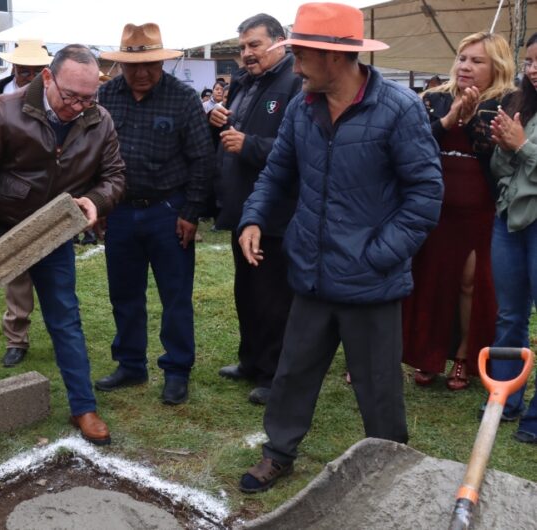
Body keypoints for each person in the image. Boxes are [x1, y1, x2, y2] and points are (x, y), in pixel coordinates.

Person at [236, 2, 443, 493]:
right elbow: (277, 171)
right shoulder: (301, 108)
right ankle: (279, 452)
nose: (296, 63)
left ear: (335, 57)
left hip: (372, 279)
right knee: (293, 373)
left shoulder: (399, 109)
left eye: (302, 53)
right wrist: (254, 217)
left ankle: (390, 462)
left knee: (378, 387)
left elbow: (426, 196)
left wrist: (377, 254)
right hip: (310, 270)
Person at [0, 44, 125, 464]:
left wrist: (95, 201)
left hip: (53, 230)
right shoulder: (2, 110)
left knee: (65, 319)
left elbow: (115, 175)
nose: (79, 106)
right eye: (71, 96)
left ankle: (83, 407)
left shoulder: (98, 120)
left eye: (89, 98)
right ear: (47, 78)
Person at [95, 23, 214, 405]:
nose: (142, 73)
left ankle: (176, 369)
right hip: (120, 213)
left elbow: (202, 159)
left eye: (150, 65)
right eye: (133, 66)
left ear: (162, 62)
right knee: (124, 293)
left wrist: (191, 212)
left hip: (169, 210)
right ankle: (130, 364)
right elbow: (93, 154)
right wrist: (97, 206)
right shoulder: (106, 95)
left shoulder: (182, 98)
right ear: (120, 66)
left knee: (175, 295)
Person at [403, 33, 516, 390]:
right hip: (433, 206)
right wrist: (451, 118)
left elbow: (501, 154)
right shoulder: (434, 97)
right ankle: (428, 355)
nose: (465, 66)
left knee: (470, 282)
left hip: (480, 209)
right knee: (431, 278)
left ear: (496, 66)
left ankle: (465, 356)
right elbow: (416, 143)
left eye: (476, 61)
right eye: (462, 58)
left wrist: (475, 118)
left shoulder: (510, 101)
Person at [209, 14, 302, 405]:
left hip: (276, 214)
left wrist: (248, 145)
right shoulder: (245, 82)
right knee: (246, 290)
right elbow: (233, 134)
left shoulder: (296, 82)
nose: (246, 54)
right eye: (243, 46)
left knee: (274, 296)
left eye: (254, 45)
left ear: (280, 42)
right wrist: (217, 121)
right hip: (242, 207)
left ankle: (274, 372)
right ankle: (250, 360)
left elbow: (297, 151)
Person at [0, 39, 54, 368]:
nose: (28, 76)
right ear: (13, 67)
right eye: (23, 70)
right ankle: (17, 338)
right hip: (7, 196)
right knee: (16, 271)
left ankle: (61, 332)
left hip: (48, 191)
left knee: (55, 273)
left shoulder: (55, 94)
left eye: (35, 70)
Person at [488, 31, 537, 444]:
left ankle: (535, 416)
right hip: (508, 222)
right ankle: (503, 397)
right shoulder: (519, 104)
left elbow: (525, 158)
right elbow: (502, 172)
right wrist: (504, 148)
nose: (533, 69)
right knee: (510, 314)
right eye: (529, 62)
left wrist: (521, 148)